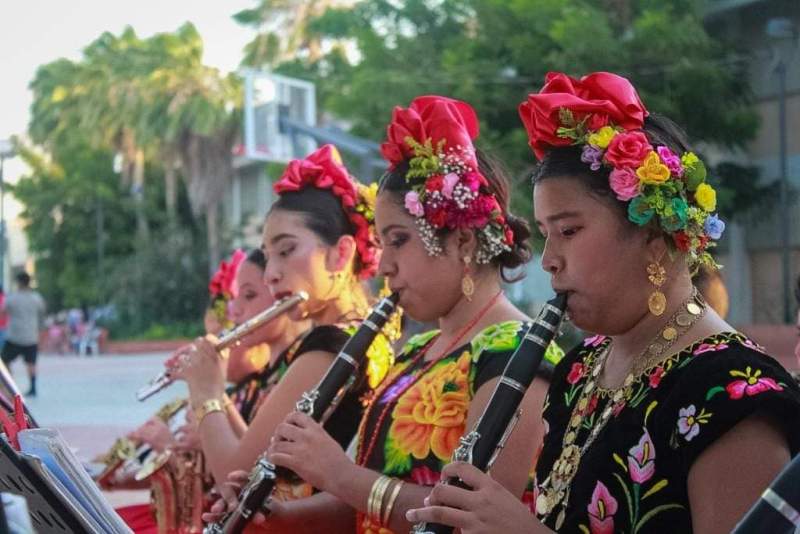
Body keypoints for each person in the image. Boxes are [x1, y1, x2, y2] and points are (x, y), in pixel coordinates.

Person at [405, 72, 800, 534]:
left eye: (569, 231)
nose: (549, 260)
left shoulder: (737, 393)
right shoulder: (579, 368)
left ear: (653, 237)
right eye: (546, 234)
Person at [210, 95, 564, 533]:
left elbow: (475, 517)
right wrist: (276, 516)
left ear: (463, 244)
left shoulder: (516, 353)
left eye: (399, 240)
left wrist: (338, 473)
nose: (383, 266)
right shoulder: (415, 351)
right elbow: (364, 504)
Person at [173, 144, 384, 497]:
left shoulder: (330, 348)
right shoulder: (355, 335)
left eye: (287, 251)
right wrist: (220, 396)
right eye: (269, 257)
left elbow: (234, 477)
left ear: (341, 253)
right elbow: (262, 454)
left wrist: (205, 393)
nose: (271, 274)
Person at [113, 248, 310, 533]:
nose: (236, 311)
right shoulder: (262, 381)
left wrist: (206, 397)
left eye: (249, 295)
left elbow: (240, 473)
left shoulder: (293, 373)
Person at [1, 272, 45, 397]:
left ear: (19, 283)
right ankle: (33, 387)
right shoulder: (37, 298)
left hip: (14, 336)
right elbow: (42, 315)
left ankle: (10, 385)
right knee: (31, 362)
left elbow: (3, 312)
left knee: (5, 361)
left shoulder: (12, 298)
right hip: (31, 336)